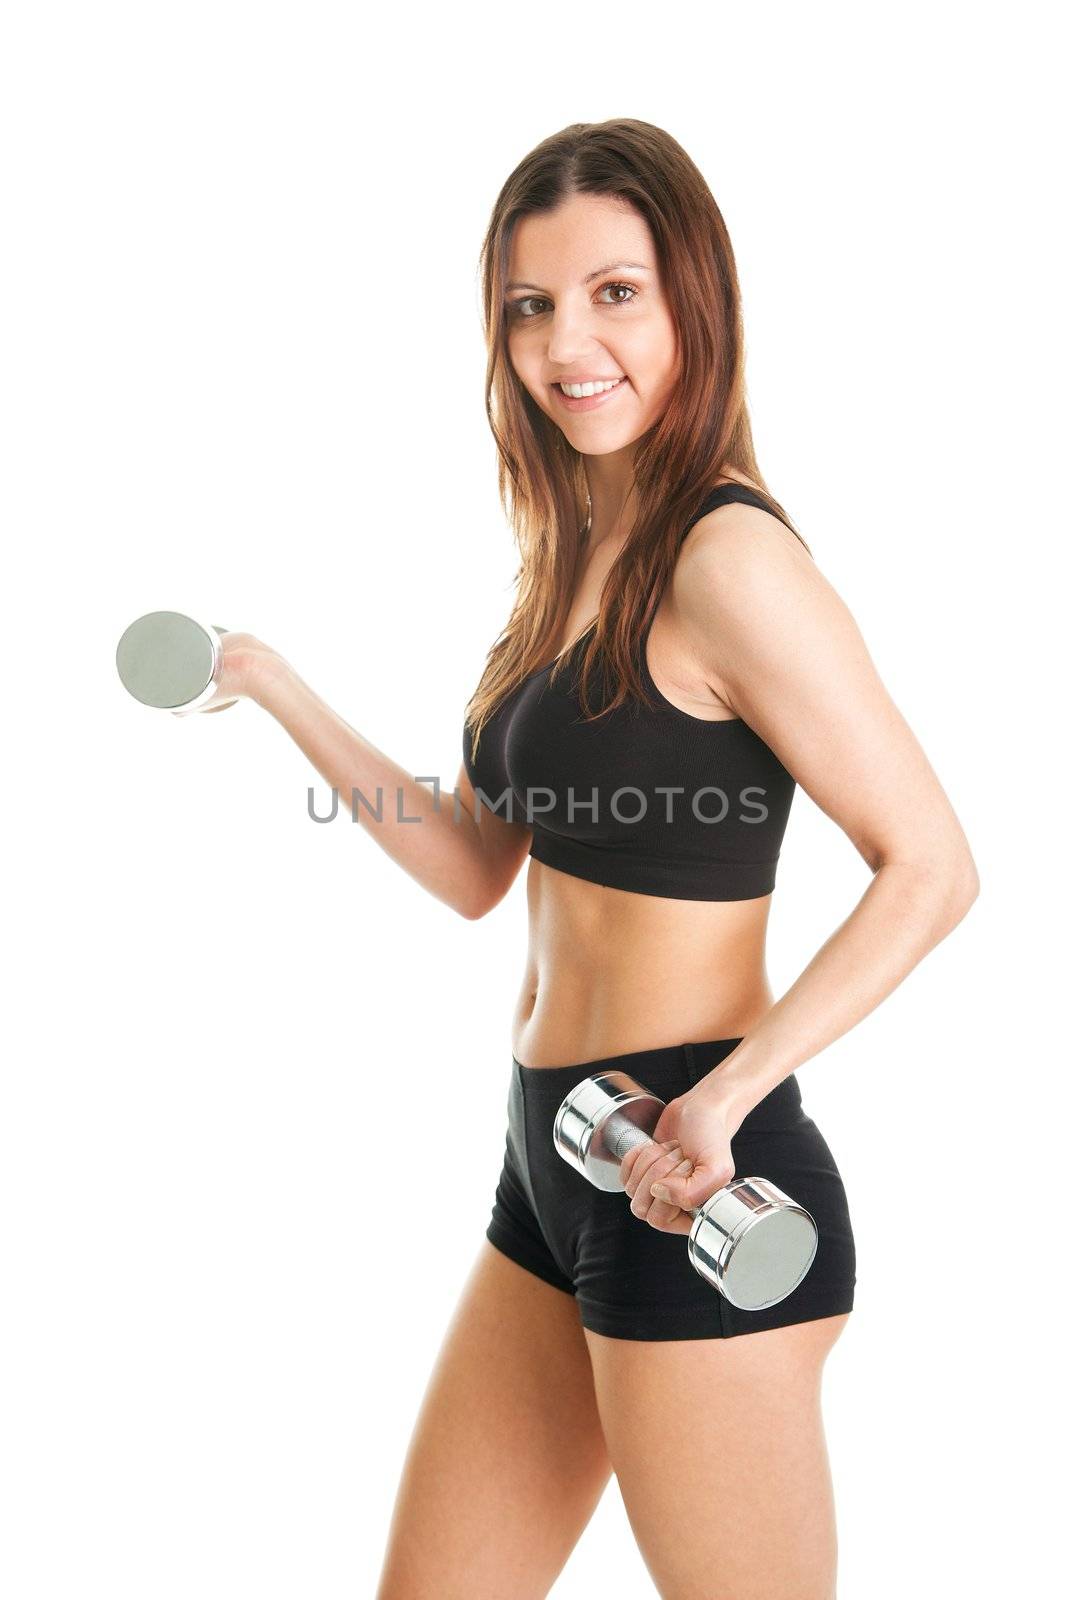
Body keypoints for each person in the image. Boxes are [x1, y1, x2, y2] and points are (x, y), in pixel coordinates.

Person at [199, 120, 979, 1600]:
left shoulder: (724, 558)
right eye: (531, 304)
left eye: (615, 292)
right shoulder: (571, 561)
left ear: (695, 300)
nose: (571, 343)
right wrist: (279, 685)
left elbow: (931, 864)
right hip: (549, 1163)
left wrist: (730, 1094)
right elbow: (482, 869)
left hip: (696, 1178)